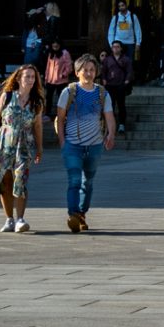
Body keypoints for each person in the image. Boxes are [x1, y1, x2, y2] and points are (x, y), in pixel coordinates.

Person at [52, 52, 116, 233]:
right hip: (73, 145)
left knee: (87, 182)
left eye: (91, 70)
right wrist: (62, 141)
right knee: (74, 180)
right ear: (77, 72)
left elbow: (109, 116)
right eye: (85, 70)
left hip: (94, 145)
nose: (88, 73)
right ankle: (73, 214)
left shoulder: (102, 93)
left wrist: (111, 135)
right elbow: (60, 118)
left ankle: (81, 214)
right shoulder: (68, 92)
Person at [0, 64, 45, 233]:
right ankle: (9, 219)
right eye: (27, 76)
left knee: (21, 179)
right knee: (5, 181)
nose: (30, 80)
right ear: (19, 78)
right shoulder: (7, 96)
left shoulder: (37, 101)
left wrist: (39, 148)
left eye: (33, 77)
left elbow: (37, 126)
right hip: (4, 143)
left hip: (25, 145)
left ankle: (20, 219)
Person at [104, 0, 142, 80]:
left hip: (130, 42)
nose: (121, 7)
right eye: (119, 6)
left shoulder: (133, 17)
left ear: (126, 5)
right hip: (118, 43)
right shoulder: (116, 17)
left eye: (122, 5)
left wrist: (138, 43)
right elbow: (111, 31)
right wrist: (111, 44)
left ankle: (128, 79)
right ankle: (119, 78)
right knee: (118, 61)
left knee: (129, 62)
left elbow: (137, 30)